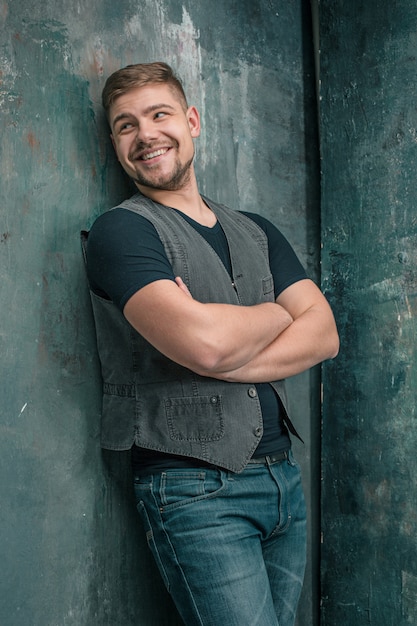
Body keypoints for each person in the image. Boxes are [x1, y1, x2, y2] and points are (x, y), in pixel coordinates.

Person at [83, 61, 339, 626]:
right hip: (194, 490)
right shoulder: (122, 232)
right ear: (115, 144)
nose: (145, 133)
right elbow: (204, 347)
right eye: (126, 126)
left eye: (158, 114)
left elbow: (323, 334)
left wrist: (228, 342)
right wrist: (277, 311)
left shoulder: (257, 229)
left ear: (192, 121)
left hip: (282, 482)